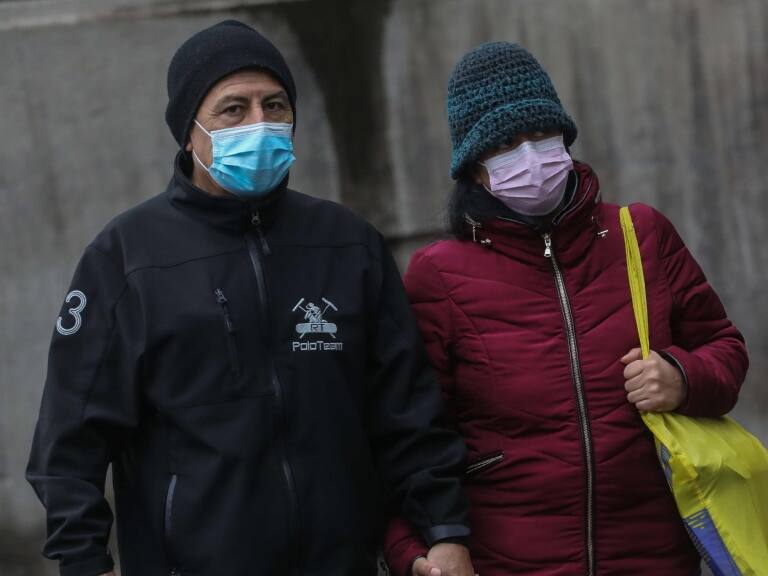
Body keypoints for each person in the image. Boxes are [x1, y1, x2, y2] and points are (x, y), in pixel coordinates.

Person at [26, 20, 474, 576]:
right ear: (188, 132)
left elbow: (407, 411)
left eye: (275, 105)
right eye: (233, 109)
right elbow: (71, 436)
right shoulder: (126, 258)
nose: (260, 123)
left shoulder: (347, 243)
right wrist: (83, 560)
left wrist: (444, 529)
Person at [384, 42, 748, 576]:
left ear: (563, 136)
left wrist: (683, 377)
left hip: (654, 556)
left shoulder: (640, 234)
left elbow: (726, 349)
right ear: (474, 168)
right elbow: (411, 432)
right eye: (504, 144)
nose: (530, 157)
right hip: (510, 560)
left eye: (539, 134)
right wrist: (418, 549)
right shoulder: (437, 274)